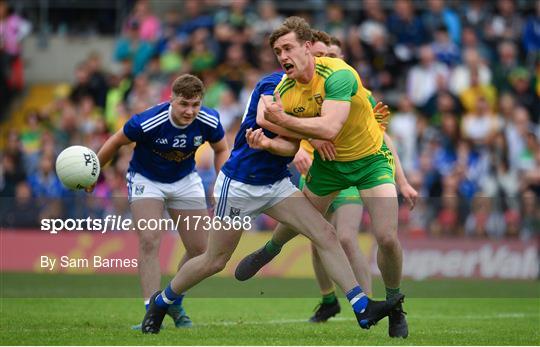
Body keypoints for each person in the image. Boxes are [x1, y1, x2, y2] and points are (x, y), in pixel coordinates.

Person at [140, 64, 403, 334]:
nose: (288, 57)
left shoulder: (316, 92)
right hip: (240, 183)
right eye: (282, 51)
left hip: (277, 184)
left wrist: (319, 132)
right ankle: (161, 302)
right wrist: (315, 132)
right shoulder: (274, 83)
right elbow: (266, 118)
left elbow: (290, 145)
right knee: (215, 260)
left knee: (325, 233)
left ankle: (361, 306)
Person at [234, 17, 409, 338]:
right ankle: (270, 250)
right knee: (306, 218)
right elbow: (279, 127)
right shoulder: (286, 89)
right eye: (277, 51)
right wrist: (272, 140)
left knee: (386, 237)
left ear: (307, 48)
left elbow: (329, 127)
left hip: (371, 162)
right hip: (329, 165)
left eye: (288, 48)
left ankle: (395, 303)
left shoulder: (340, 75)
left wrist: (403, 179)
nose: (282, 56)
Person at [285, 31, 418, 324]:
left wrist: (403, 180)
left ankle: (371, 305)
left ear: (341, 59)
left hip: (358, 170)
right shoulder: (300, 89)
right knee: (316, 237)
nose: (324, 61)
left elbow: (380, 138)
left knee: (346, 236)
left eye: (331, 56)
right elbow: (289, 127)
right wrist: (299, 149)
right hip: (319, 171)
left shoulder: (357, 92)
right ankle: (329, 300)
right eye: (320, 56)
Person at [87, 74, 229, 329]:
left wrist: (221, 185)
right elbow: (116, 141)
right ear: (171, 99)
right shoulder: (148, 121)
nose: (190, 111)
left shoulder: (209, 119)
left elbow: (221, 149)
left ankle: (173, 299)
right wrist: (95, 171)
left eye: (195, 105)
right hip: (146, 179)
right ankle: (151, 311)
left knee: (202, 250)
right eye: (184, 104)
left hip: (185, 180)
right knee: (150, 239)